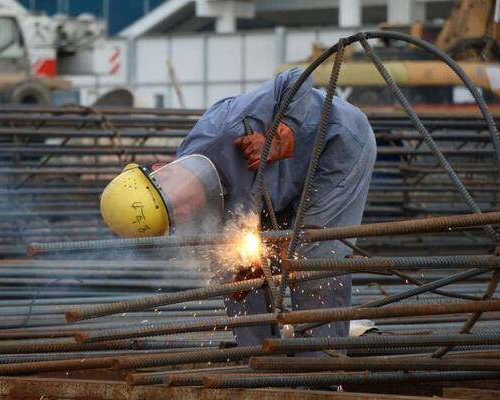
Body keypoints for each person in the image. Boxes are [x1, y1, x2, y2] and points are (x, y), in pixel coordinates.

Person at [100, 67, 377, 346]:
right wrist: (248, 266)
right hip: (281, 184)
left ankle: (322, 364)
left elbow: (297, 77)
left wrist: (284, 130)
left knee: (314, 258)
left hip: (335, 146)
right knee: (235, 271)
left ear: (162, 170)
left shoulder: (226, 127)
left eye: (174, 204)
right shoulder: (202, 203)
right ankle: (259, 356)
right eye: (175, 217)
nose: (183, 212)